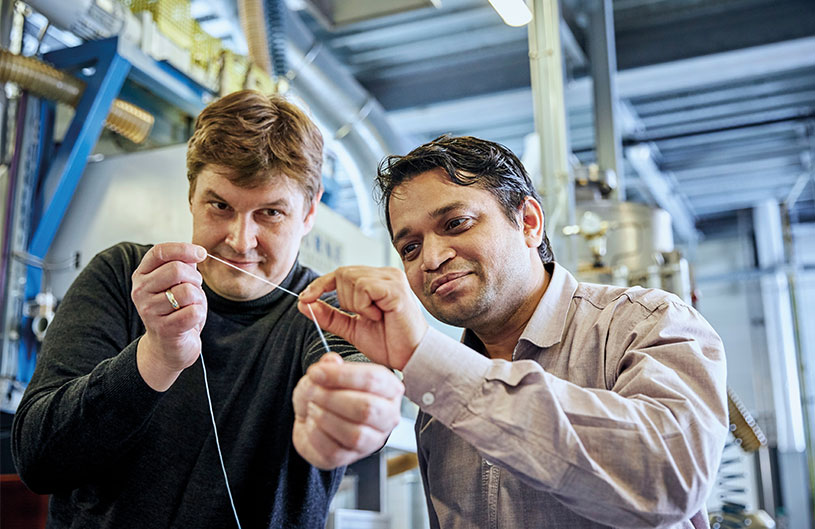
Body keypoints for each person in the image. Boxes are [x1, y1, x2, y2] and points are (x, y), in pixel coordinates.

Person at [11, 90, 403, 529]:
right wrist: (155, 356)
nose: (240, 240)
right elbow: (38, 460)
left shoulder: (325, 307)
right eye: (220, 206)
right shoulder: (124, 276)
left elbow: (357, 373)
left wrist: (368, 398)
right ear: (192, 196)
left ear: (309, 213)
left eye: (270, 213)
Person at [298, 135, 729, 528]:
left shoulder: (645, 324)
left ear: (528, 221)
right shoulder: (436, 408)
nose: (431, 258)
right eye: (409, 247)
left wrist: (429, 362)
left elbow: (667, 479)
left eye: (456, 223)